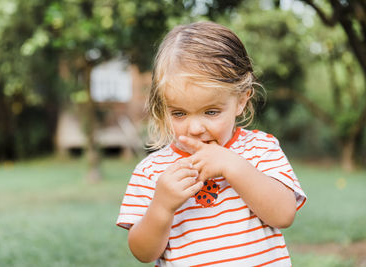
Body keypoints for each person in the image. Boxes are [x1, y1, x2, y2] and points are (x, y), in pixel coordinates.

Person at [116, 21, 306, 266]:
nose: (195, 128)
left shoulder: (260, 149)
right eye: (179, 113)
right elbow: (143, 253)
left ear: (240, 100)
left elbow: (284, 214)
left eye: (211, 112)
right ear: (163, 107)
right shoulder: (152, 171)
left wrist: (232, 165)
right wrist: (161, 207)